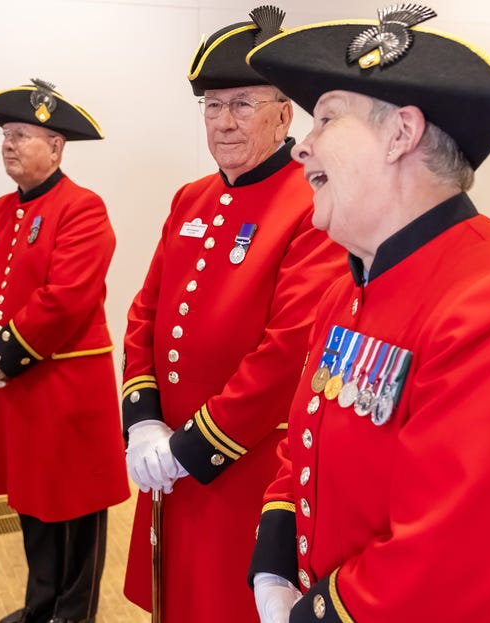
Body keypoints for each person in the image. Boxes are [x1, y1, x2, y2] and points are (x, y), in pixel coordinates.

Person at [244, 5, 490, 622]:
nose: (303, 146)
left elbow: (451, 560)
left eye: (325, 119)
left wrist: (311, 615)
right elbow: (304, 447)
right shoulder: (349, 291)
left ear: (402, 133)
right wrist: (274, 563)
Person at [120, 7, 348, 622]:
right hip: (166, 459)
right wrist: (142, 421)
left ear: (284, 112)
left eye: (243, 103)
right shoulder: (191, 198)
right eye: (212, 105)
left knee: (224, 606)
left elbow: (288, 351)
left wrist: (193, 447)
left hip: (239, 467)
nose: (224, 122)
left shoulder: (309, 202)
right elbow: (145, 312)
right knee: (174, 604)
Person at [0, 79, 130, 623]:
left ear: (55, 146)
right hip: (18, 389)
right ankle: (41, 607)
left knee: (76, 511)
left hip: (65, 389)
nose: (8, 144)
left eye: (22, 135)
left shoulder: (83, 208)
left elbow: (66, 299)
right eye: (4, 135)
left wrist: (1, 353)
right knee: (32, 504)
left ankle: (73, 614)